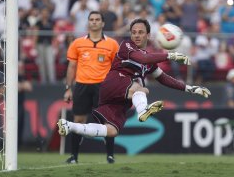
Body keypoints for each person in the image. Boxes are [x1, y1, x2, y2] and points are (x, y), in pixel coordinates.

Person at [58, 18, 211, 150]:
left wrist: (190, 88)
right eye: (134, 32)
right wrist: (169, 55)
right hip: (114, 82)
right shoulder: (126, 46)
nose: (136, 35)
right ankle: (143, 110)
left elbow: (164, 78)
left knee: (111, 131)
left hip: (120, 98)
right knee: (141, 88)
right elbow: (143, 59)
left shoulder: (150, 59)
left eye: (141, 32)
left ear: (148, 35)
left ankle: (68, 126)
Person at [63, 11, 119, 164]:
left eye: (97, 20)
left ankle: (110, 156)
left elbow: (117, 68)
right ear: (88, 23)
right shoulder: (77, 43)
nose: (94, 22)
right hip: (82, 85)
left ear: (103, 23)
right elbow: (71, 66)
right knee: (79, 120)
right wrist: (68, 88)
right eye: (92, 20)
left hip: (103, 87)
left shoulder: (112, 44)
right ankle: (74, 156)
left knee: (106, 122)